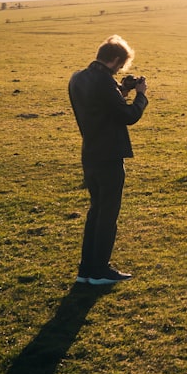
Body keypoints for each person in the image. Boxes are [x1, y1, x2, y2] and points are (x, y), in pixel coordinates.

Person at [68, 35, 149, 286]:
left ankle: (87, 270)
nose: (120, 70)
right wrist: (140, 96)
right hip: (110, 155)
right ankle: (101, 270)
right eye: (120, 65)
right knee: (107, 215)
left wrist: (120, 92)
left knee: (96, 212)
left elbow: (100, 107)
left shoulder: (77, 78)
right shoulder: (105, 82)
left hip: (90, 153)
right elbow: (127, 116)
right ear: (114, 60)